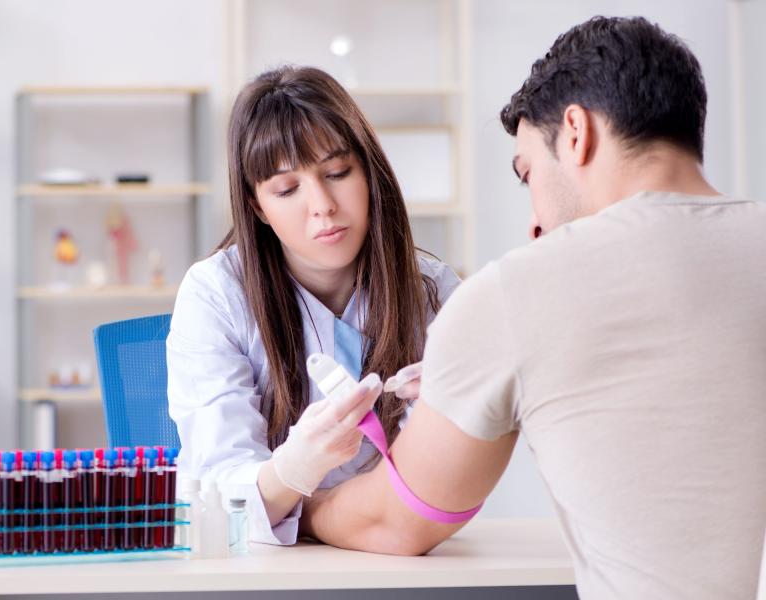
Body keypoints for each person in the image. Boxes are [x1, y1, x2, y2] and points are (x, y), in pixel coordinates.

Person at [299, 16, 766, 600]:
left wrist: (299, 499)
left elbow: (393, 523)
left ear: (576, 132)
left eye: (529, 175)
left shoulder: (515, 291)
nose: (535, 224)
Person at [166, 65, 459, 545]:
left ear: (370, 172)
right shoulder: (215, 293)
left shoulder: (432, 290)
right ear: (257, 206)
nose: (322, 204)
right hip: (265, 568)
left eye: (338, 173)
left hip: (397, 557)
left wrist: (451, 412)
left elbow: (443, 486)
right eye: (287, 189)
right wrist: (296, 466)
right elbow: (223, 494)